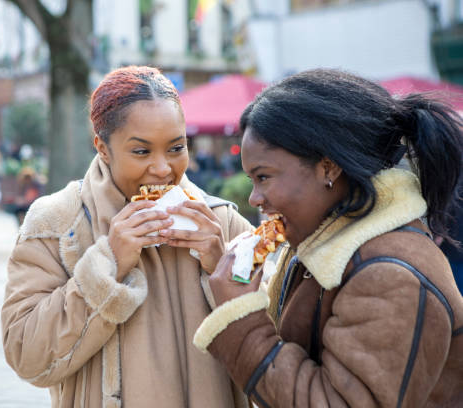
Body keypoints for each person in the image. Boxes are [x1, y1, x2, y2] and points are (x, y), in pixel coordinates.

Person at [193, 69, 463, 406]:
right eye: (251, 180)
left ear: (328, 168)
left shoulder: (389, 274)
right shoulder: (322, 243)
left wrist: (241, 316)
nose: (255, 199)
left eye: (264, 177)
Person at [1, 66, 254, 408]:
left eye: (176, 148)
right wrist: (107, 265)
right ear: (102, 148)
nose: (163, 168)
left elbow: (279, 348)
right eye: (141, 152)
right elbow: (25, 356)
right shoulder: (57, 224)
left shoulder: (221, 221)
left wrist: (222, 268)